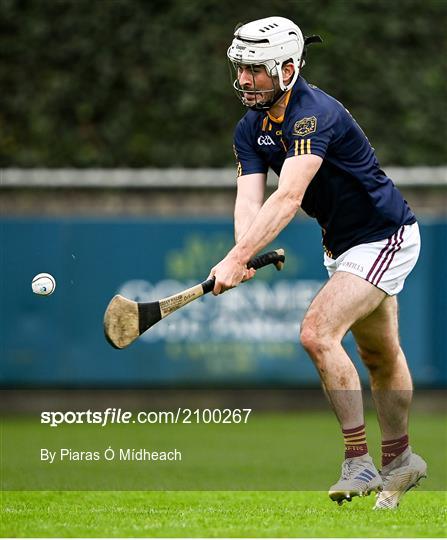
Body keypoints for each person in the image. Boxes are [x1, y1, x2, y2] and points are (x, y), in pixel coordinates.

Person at [209, 16, 427, 509]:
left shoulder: (313, 114)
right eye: (240, 69)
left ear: (287, 68)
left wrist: (236, 257)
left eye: (255, 70)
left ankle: (359, 461)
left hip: (384, 234)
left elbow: (288, 197)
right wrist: (244, 253)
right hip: (342, 246)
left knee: (316, 333)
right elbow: (251, 199)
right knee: (379, 354)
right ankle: (402, 460)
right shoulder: (250, 127)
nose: (244, 80)